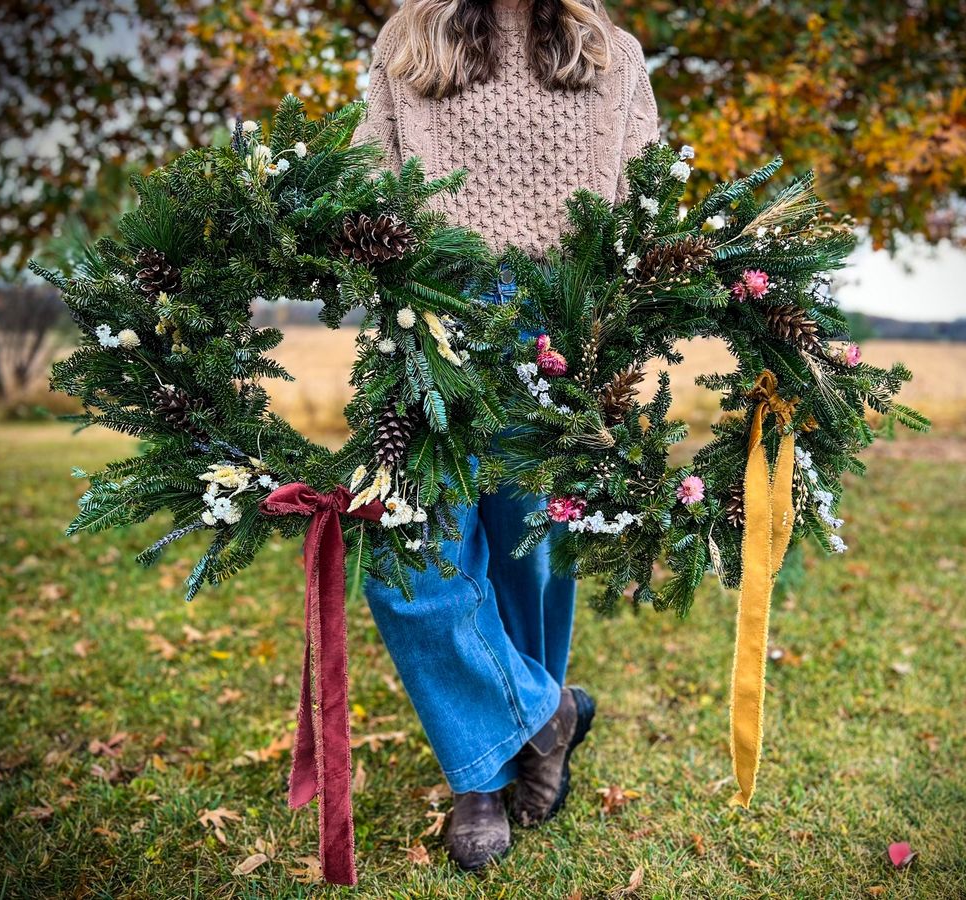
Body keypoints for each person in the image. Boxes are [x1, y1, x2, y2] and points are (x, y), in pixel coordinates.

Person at [353, 0, 659, 871]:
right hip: (433, 318)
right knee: (410, 557)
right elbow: (365, 182)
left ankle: (488, 770)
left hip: (560, 322)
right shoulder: (410, 40)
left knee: (530, 558)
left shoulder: (610, 52)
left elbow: (644, 196)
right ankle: (542, 714)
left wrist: (618, 337)